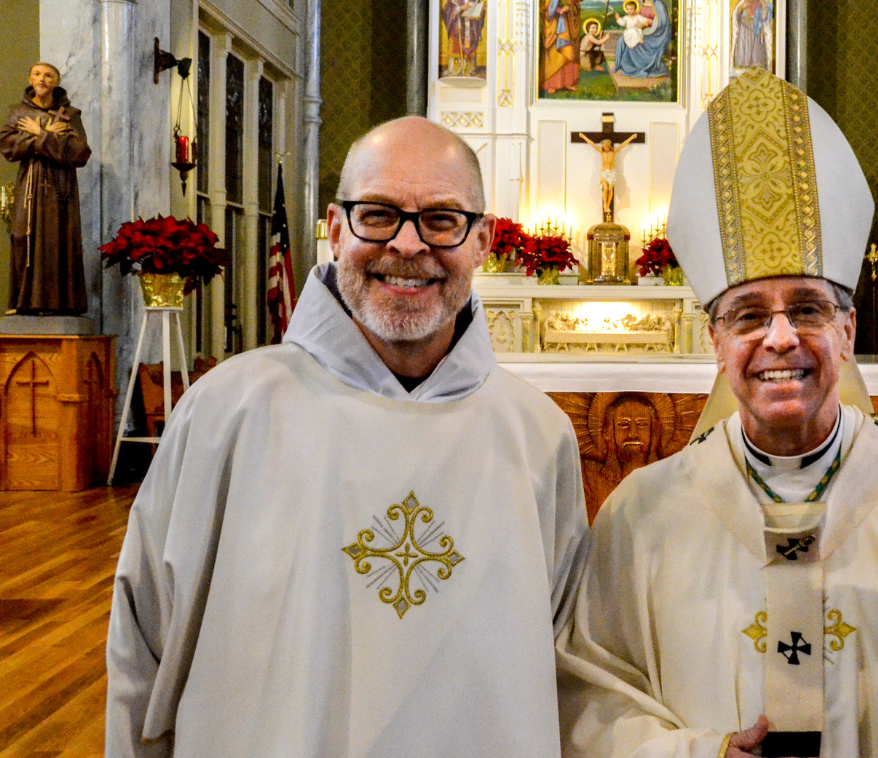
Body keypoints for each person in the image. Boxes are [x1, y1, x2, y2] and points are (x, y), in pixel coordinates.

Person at [556, 68, 878, 758]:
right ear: (714, 341)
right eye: (747, 316)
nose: (779, 339)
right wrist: (695, 754)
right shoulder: (642, 514)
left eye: (806, 309)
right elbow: (590, 698)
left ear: (848, 328)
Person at [106, 117, 590, 757]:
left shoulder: (538, 436)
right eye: (379, 214)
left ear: (483, 239)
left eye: (442, 219)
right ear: (335, 230)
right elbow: (144, 645)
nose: (409, 245)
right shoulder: (226, 413)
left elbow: (567, 669)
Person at [0, 62, 90, 315]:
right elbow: (8, 146)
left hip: (60, 188)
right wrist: (48, 135)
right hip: (28, 184)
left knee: (55, 240)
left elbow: (80, 153)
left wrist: (39, 134)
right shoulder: (18, 113)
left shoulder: (69, 115)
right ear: (30, 78)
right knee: (21, 236)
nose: (42, 79)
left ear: (56, 82)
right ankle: (25, 300)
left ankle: (58, 303)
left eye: (48, 76)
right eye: (37, 74)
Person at [612, 0, 670, 79]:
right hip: (638, 31)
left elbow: (662, 22)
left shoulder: (658, 4)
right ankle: (620, 66)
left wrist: (646, 24)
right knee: (621, 40)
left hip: (654, 34)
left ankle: (627, 69)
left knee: (634, 45)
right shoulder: (639, 3)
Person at [542, 0, 582, 94]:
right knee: (555, 53)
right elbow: (548, 9)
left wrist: (570, 7)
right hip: (554, 27)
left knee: (568, 52)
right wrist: (558, 10)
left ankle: (568, 82)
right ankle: (551, 84)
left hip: (567, 24)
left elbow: (575, 3)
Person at [729, 0, 772, 74]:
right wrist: (742, 7)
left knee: (757, 59)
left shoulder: (761, 4)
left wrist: (764, 6)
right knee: (743, 58)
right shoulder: (743, 3)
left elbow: (764, 18)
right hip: (744, 35)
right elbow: (736, 16)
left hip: (756, 36)